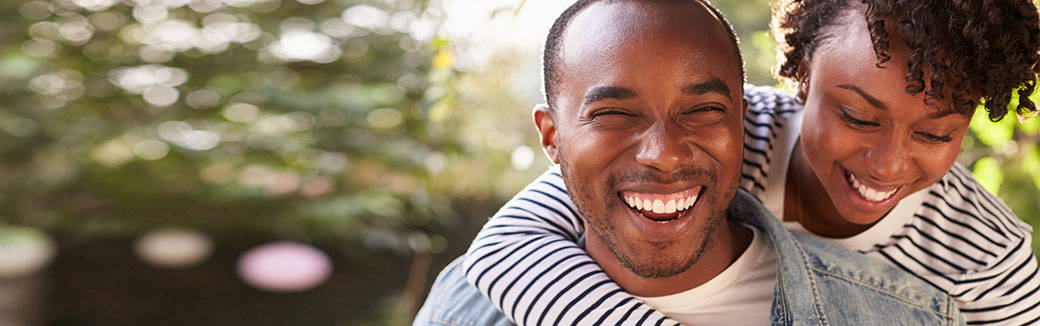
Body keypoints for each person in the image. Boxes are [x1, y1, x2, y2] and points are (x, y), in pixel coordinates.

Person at [462, 0, 1040, 324]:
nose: (886, 164)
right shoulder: (741, 129)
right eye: (858, 117)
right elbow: (505, 244)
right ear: (803, 79)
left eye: (935, 133)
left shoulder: (985, 253)